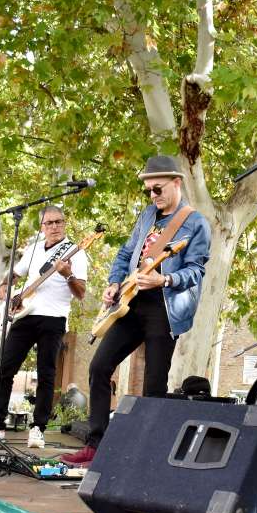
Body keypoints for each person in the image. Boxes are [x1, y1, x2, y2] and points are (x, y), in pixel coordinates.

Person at [60, 155, 210, 467]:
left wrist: (165, 278)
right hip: (130, 301)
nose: (153, 196)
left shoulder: (195, 223)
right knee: (99, 367)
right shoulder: (146, 216)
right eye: (148, 192)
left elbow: (196, 271)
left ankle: (146, 456)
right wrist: (114, 282)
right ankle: (96, 445)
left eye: (158, 189)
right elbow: (126, 252)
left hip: (165, 305)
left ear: (176, 183)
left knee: (153, 384)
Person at [0, 204, 88, 449]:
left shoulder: (75, 252)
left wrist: (68, 275)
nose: (55, 226)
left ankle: (38, 428)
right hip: (25, 316)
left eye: (59, 222)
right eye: (50, 223)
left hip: (53, 318)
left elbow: (81, 294)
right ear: (41, 227)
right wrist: (5, 285)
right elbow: (15, 273)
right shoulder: (33, 250)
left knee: (46, 374)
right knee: (4, 369)